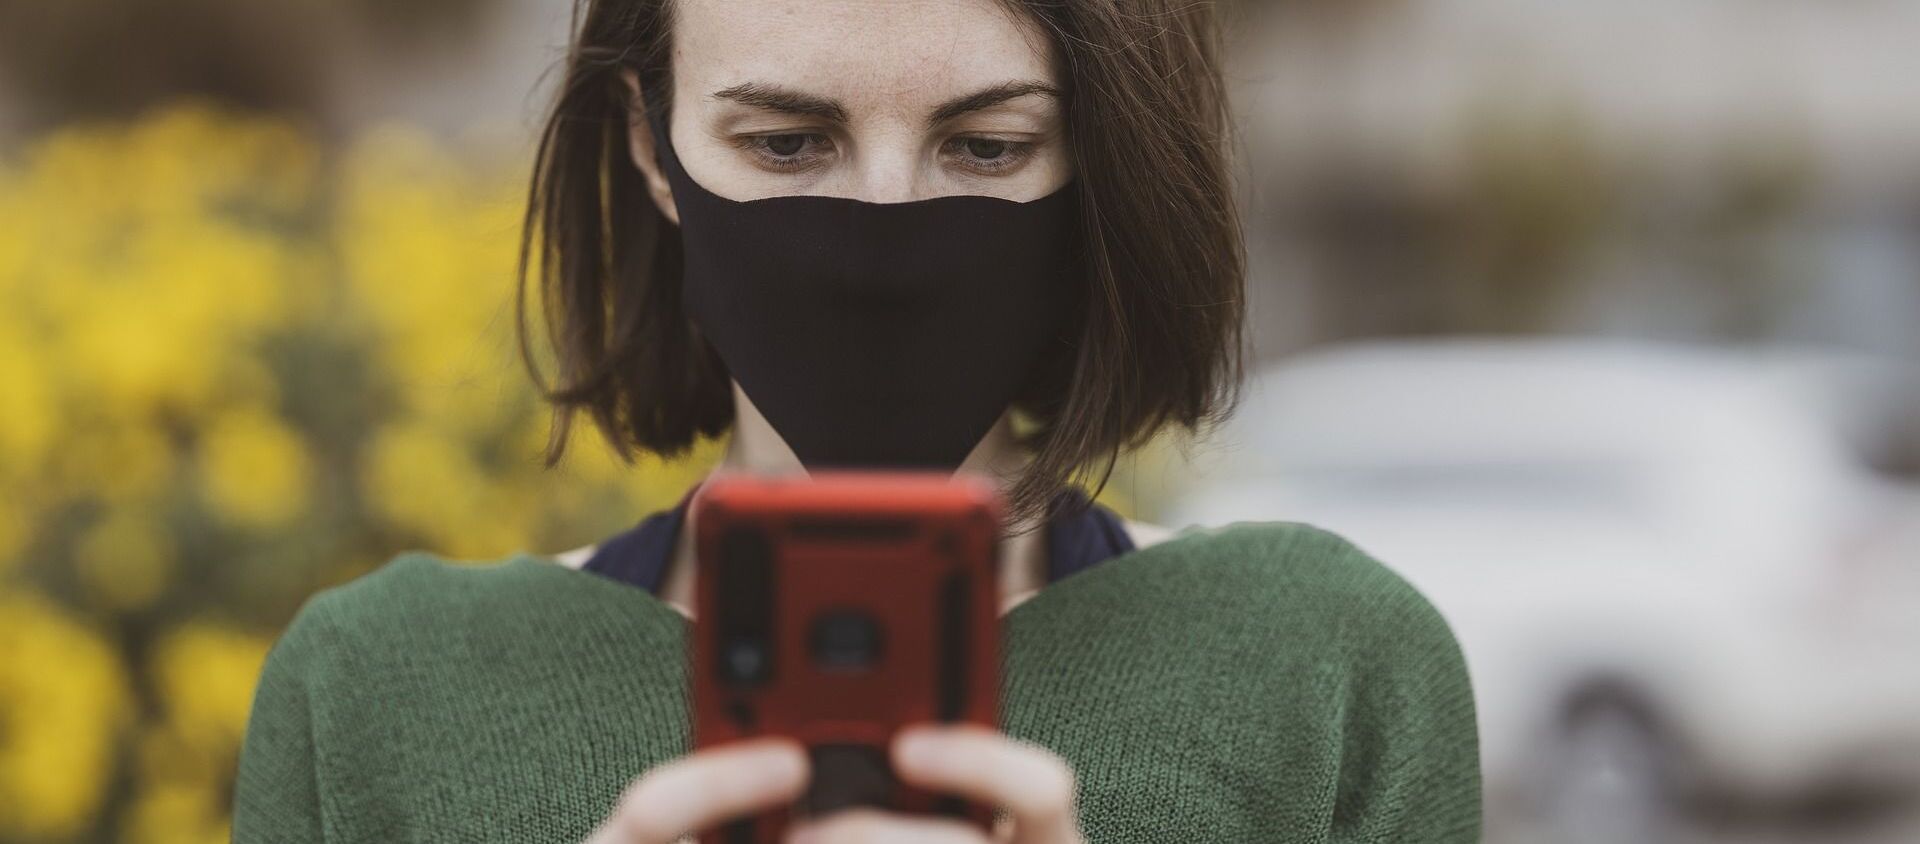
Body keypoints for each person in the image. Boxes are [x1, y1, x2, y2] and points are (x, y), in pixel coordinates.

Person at [232, 0, 1482, 841]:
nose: (884, 218)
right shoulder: (375, 690)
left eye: (986, 146)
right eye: (786, 141)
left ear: (1094, 160)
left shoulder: (1324, 663)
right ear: (653, 152)